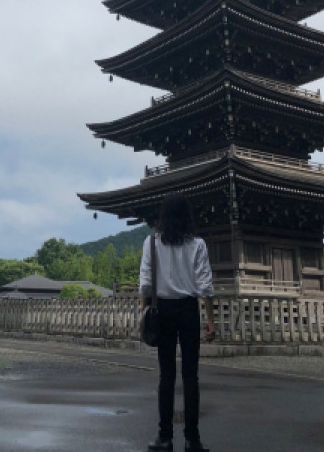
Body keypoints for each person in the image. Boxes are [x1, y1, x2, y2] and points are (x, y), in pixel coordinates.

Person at [139, 192, 215, 452]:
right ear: (187, 216)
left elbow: (146, 284)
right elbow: (205, 285)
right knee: (191, 376)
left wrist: (144, 315)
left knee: (167, 375)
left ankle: (165, 437)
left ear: (163, 215)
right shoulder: (198, 245)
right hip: (189, 310)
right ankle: (192, 440)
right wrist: (210, 320)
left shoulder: (151, 244)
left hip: (163, 310)